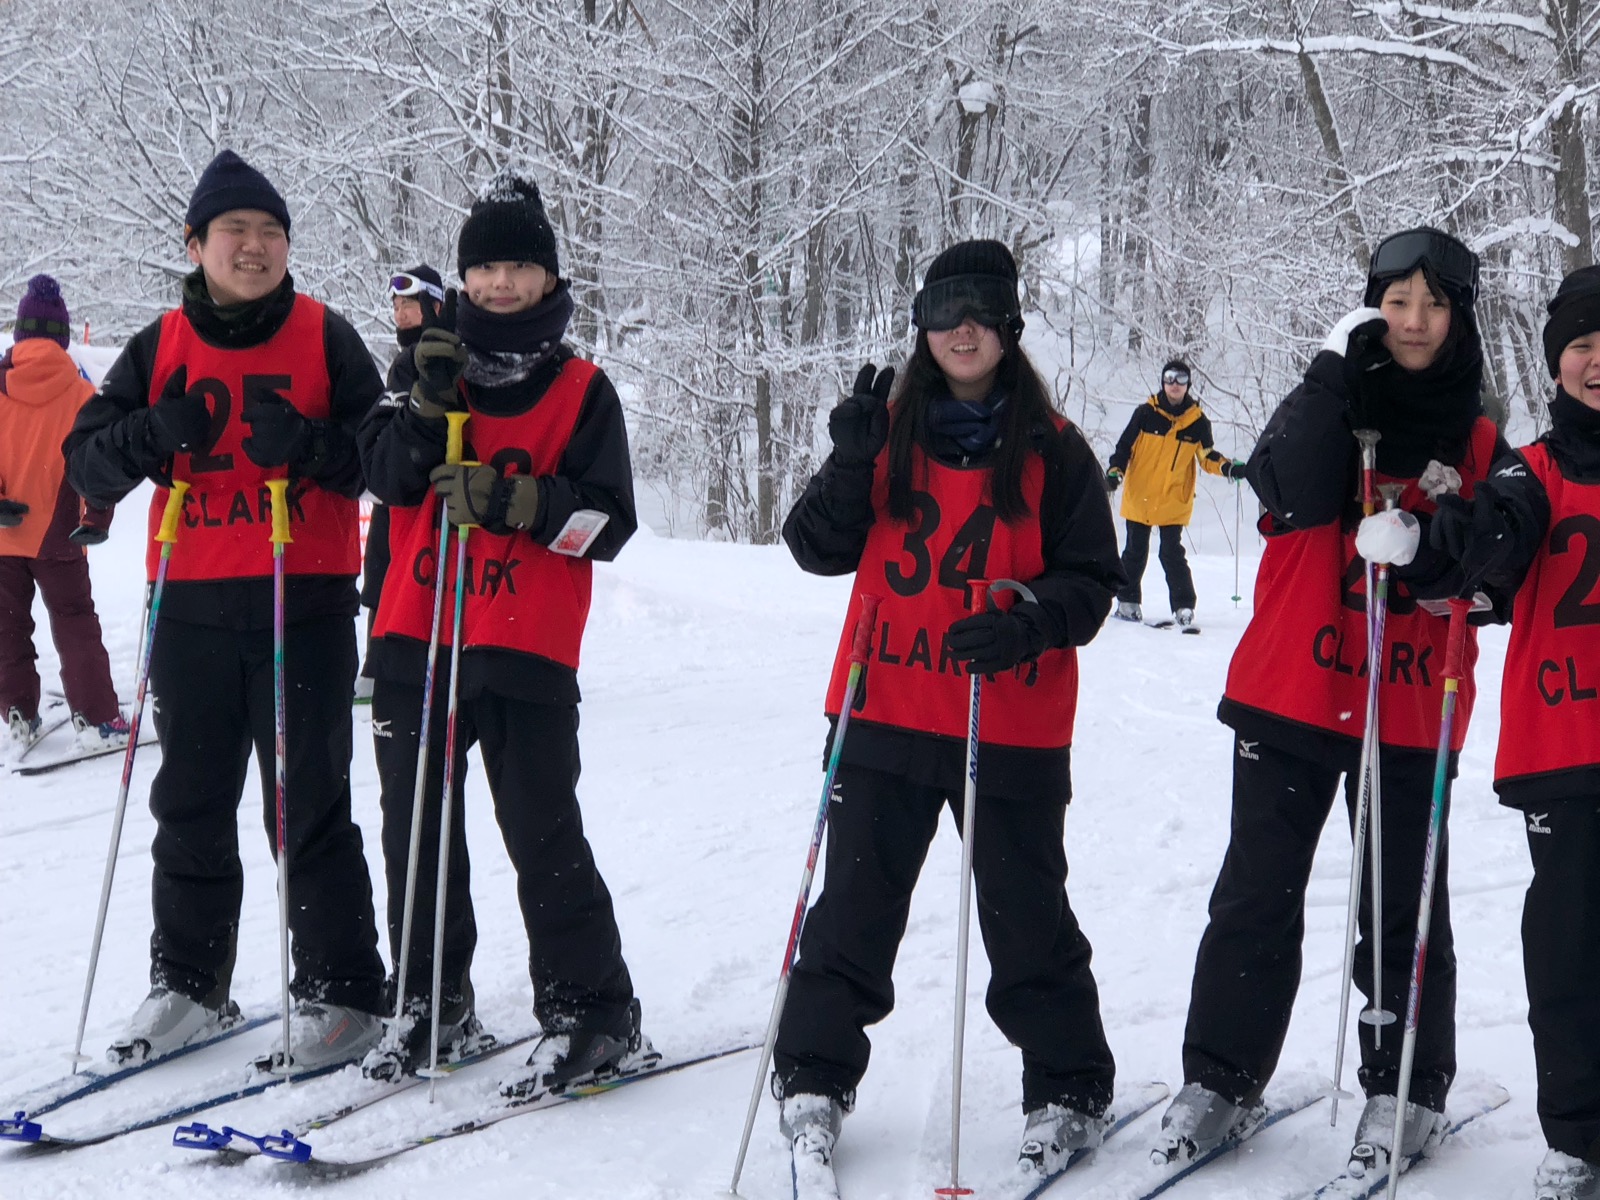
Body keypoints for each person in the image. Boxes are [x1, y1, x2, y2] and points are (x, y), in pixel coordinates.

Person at [1152, 228, 1512, 1177]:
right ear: (1370, 306)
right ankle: (1222, 1076)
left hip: (1408, 704)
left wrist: (1440, 551)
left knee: (1402, 907)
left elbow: (1502, 566)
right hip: (1292, 690)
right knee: (1255, 895)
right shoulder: (1327, 399)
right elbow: (1283, 491)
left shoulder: (1478, 437)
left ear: (1458, 315)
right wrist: (1325, 374)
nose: (1415, 322)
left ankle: (1405, 1087)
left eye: (1434, 304)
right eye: (1397, 301)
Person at [773, 239, 1123, 1177]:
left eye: (977, 313)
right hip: (884, 704)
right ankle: (811, 1074)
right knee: (852, 906)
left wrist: (1029, 623)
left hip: (1001, 720)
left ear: (1007, 326)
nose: (959, 331)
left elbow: (1094, 580)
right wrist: (847, 467)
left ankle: (1068, 1084)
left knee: (1025, 913)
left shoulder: (1055, 447)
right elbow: (813, 548)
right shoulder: (883, 427)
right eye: (942, 313)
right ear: (923, 327)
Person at [63, 150, 388, 1072]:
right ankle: (191, 982)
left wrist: (316, 446)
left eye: (271, 233)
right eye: (236, 232)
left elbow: (384, 461)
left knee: (308, 803)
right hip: (195, 601)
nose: (254, 248)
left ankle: (344, 990)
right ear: (196, 242)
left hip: (305, 599)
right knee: (191, 802)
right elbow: (87, 463)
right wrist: (151, 434)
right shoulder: (159, 344)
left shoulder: (326, 335)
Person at [357, 172, 645, 1093]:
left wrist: (523, 501)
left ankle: (592, 1010)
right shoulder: (419, 368)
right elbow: (385, 481)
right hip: (417, 634)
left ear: (547, 277)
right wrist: (426, 410)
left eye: (518, 265)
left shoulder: (582, 390)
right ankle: (430, 1001)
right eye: (483, 267)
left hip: (525, 641)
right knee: (416, 834)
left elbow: (608, 525)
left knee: (542, 830)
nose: (499, 285)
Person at [1426, 267, 1600, 1200]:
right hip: (1566, 748)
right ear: (1556, 362)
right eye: (1581, 345)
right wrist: (1456, 549)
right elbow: (1497, 534)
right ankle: (1577, 1134)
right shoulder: (1529, 470)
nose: (1597, 361)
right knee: (1570, 950)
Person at [0, 275, 128, 755]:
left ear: (19, 332)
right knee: (74, 621)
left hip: (3, 534)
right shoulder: (82, 394)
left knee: (7, 625)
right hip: (60, 533)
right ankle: (95, 719)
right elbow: (101, 464)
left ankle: (17, 711)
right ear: (61, 334)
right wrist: (97, 517)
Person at [355, 265, 444, 702]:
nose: (400, 313)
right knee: (380, 565)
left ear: (435, 306)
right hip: (397, 491)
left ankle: (389, 658)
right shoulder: (403, 361)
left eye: (409, 304)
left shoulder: (438, 357)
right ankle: (376, 657)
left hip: (429, 498)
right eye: (395, 305)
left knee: (400, 568)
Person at [1105, 359, 1244, 628]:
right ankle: (1128, 603)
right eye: (1169, 379)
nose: (1174, 385)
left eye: (1180, 379)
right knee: (1135, 551)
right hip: (1141, 494)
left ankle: (1183, 608)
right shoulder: (1145, 414)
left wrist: (1227, 467)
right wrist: (1115, 472)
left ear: (1188, 384)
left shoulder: (1197, 421)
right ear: (1162, 382)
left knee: (1171, 553)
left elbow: (1206, 456)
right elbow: (1124, 448)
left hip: (1173, 498)